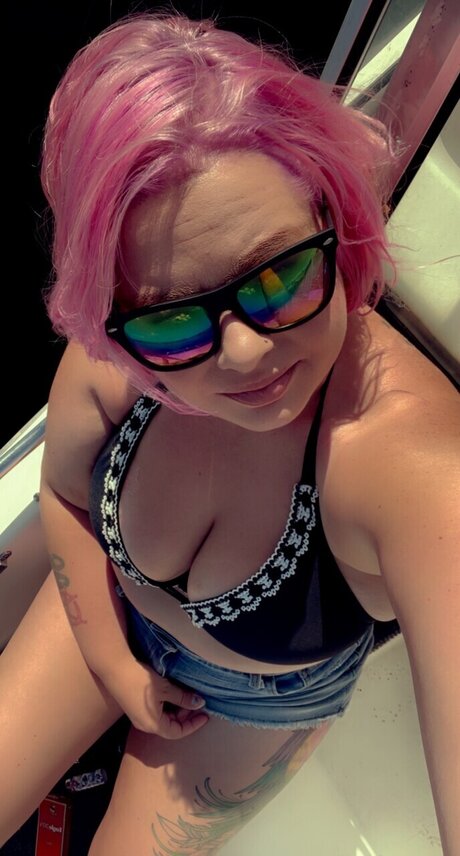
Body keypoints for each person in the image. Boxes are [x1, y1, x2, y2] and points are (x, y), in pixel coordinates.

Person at [0, 12, 458, 855]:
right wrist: (113, 664)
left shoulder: (401, 458)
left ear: (334, 215)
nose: (245, 354)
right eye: (175, 320)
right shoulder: (123, 348)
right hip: (108, 609)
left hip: (254, 705)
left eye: (280, 275)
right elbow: (63, 493)